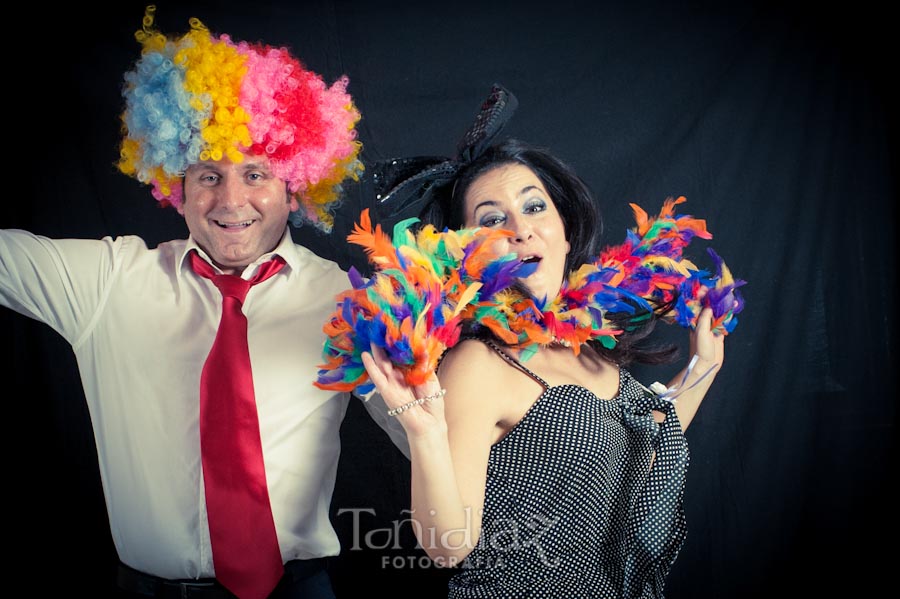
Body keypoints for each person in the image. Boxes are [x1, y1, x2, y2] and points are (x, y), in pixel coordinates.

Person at [1, 7, 365, 599]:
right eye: (207, 175)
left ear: (293, 182)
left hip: (298, 588)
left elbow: (421, 431)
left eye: (256, 173)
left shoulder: (346, 298)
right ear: (177, 184)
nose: (232, 199)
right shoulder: (109, 280)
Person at [332, 137, 742, 598]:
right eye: (491, 219)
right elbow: (448, 547)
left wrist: (704, 365)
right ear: (468, 255)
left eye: (533, 207)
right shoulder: (477, 365)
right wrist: (426, 436)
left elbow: (648, 447)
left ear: (565, 230)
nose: (520, 229)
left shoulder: (590, 348)